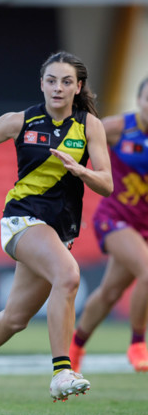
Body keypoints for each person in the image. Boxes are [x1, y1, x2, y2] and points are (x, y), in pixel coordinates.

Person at [0, 51, 113, 405]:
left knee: (15, 319)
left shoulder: (89, 125)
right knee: (68, 275)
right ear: (42, 84)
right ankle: (61, 371)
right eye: (51, 80)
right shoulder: (21, 121)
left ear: (78, 87)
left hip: (60, 230)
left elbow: (107, 184)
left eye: (66, 82)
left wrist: (82, 172)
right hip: (21, 219)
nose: (58, 88)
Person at [70, 77, 148, 373]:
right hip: (115, 218)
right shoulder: (118, 128)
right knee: (147, 272)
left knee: (109, 292)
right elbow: (82, 136)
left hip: (144, 226)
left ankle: (75, 346)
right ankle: (138, 343)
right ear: (139, 100)